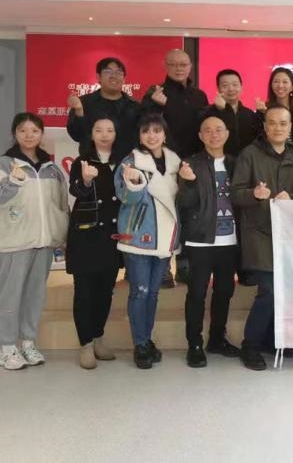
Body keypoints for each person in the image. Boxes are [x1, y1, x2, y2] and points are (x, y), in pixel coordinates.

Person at [0, 112, 69, 370]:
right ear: (15, 134)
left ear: (42, 134)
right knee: (10, 296)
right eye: (23, 130)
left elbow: (60, 204)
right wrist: (13, 180)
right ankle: (6, 347)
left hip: (43, 242)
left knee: (35, 295)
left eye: (34, 130)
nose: (29, 135)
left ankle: (28, 342)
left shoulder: (51, 168)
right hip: (14, 241)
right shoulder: (4, 163)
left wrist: (60, 235)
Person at [232, 105, 293, 371]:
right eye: (272, 123)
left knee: (282, 290)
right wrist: (254, 194)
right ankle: (250, 345)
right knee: (269, 290)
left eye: (283, 123)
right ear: (264, 127)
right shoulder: (249, 154)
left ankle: (270, 340)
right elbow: (236, 193)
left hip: (288, 234)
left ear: (290, 127)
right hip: (259, 233)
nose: (277, 128)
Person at [115, 114, 181, 369]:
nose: (151, 135)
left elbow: (180, 200)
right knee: (140, 292)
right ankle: (140, 343)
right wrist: (133, 183)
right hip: (138, 237)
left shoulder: (175, 162)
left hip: (166, 237)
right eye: (146, 131)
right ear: (139, 135)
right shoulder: (130, 162)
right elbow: (124, 198)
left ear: (164, 134)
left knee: (153, 293)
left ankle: (146, 339)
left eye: (156, 130)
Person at [177, 115, 241, 368]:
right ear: (200, 136)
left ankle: (217, 339)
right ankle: (194, 344)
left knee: (224, 291)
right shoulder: (190, 164)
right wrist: (189, 182)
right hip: (201, 240)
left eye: (218, 130)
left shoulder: (236, 163)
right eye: (208, 130)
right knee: (197, 293)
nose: (214, 134)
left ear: (227, 134)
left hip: (230, 240)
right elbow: (184, 203)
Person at [141, 49, 208, 287]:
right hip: (164, 163)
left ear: (190, 66)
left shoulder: (199, 95)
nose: (179, 69)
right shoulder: (156, 92)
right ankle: (162, 268)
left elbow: (205, 127)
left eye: (183, 64)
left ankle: (184, 265)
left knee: (189, 213)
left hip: (194, 163)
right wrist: (156, 106)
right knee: (164, 213)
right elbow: (145, 126)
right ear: (165, 66)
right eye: (173, 64)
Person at [65, 117, 123, 369]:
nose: (104, 134)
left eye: (110, 130)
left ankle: (98, 337)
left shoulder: (122, 162)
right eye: (99, 130)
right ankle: (85, 344)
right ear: (91, 134)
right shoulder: (82, 162)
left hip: (112, 236)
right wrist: (87, 180)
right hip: (86, 235)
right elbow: (76, 191)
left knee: (105, 291)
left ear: (116, 134)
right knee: (84, 292)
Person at [66, 57, 141, 161]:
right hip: (92, 164)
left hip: (126, 165)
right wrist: (79, 111)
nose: (114, 76)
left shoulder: (135, 107)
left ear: (124, 79)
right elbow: (76, 135)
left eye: (118, 72)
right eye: (108, 72)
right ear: (98, 77)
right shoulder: (84, 103)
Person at [254, 67, 293, 157]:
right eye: (276, 82)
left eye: (285, 82)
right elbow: (258, 138)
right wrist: (262, 114)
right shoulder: (265, 109)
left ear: (292, 87)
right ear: (271, 86)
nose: (280, 85)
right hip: (269, 158)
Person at [206, 68, 259, 157]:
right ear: (218, 89)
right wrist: (219, 111)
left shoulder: (250, 114)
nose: (231, 89)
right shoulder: (210, 113)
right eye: (225, 85)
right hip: (218, 162)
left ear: (241, 87)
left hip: (246, 162)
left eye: (235, 84)